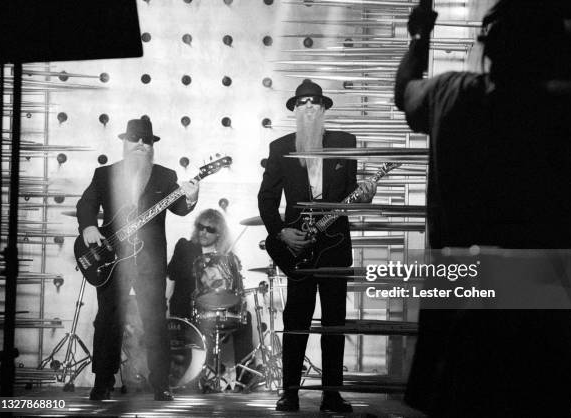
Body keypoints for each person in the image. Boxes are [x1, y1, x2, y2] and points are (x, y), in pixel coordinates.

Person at [394, 2, 571, 417]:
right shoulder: (569, 116)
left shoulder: (449, 93)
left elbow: (405, 92)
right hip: (534, 309)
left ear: (489, 44)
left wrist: (419, 36)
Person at [258, 79, 376, 413]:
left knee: (334, 323)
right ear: (295, 110)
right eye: (302, 103)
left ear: (323, 109)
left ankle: (331, 395)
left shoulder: (345, 143)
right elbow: (266, 199)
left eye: (315, 103)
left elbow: (354, 192)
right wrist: (281, 233)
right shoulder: (280, 148)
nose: (309, 107)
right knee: (296, 321)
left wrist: (366, 196)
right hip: (299, 248)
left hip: (336, 245)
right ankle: (290, 393)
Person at [77, 118, 199, 401]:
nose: (142, 144)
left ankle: (161, 385)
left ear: (152, 146)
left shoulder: (165, 176)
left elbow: (180, 208)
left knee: (155, 321)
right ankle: (103, 381)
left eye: (147, 140)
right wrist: (88, 226)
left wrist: (192, 197)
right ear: (125, 142)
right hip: (110, 259)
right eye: (136, 139)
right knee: (107, 319)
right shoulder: (104, 174)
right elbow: (86, 204)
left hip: (150, 260)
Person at [167, 209, 259, 392]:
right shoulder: (185, 246)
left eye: (209, 229)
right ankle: (199, 376)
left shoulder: (228, 257)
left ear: (219, 234)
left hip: (216, 309)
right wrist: (165, 305)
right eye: (200, 227)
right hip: (188, 308)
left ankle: (244, 375)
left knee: (245, 317)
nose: (203, 232)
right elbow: (171, 276)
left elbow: (235, 289)